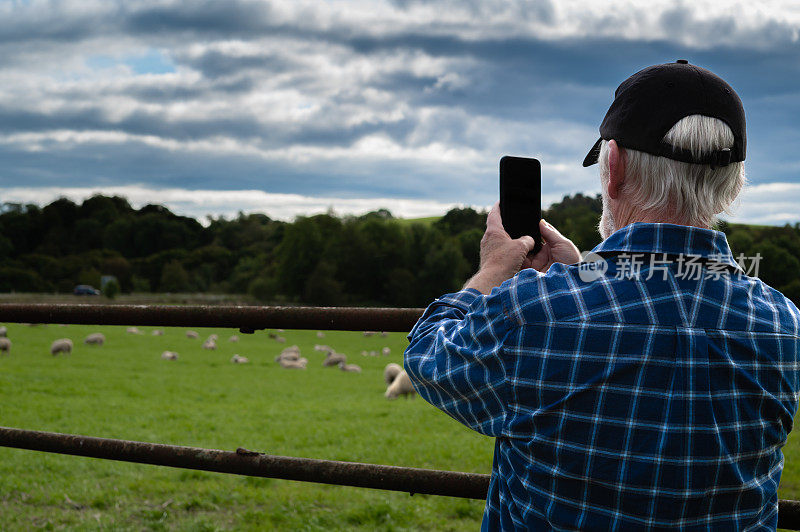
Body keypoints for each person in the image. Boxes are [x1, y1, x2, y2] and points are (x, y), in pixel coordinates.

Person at [404, 60, 800, 530]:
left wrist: (492, 271)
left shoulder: (536, 311)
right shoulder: (783, 322)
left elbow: (428, 357)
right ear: (733, 184)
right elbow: (662, 301)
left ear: (613, 166)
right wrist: (586, 274)